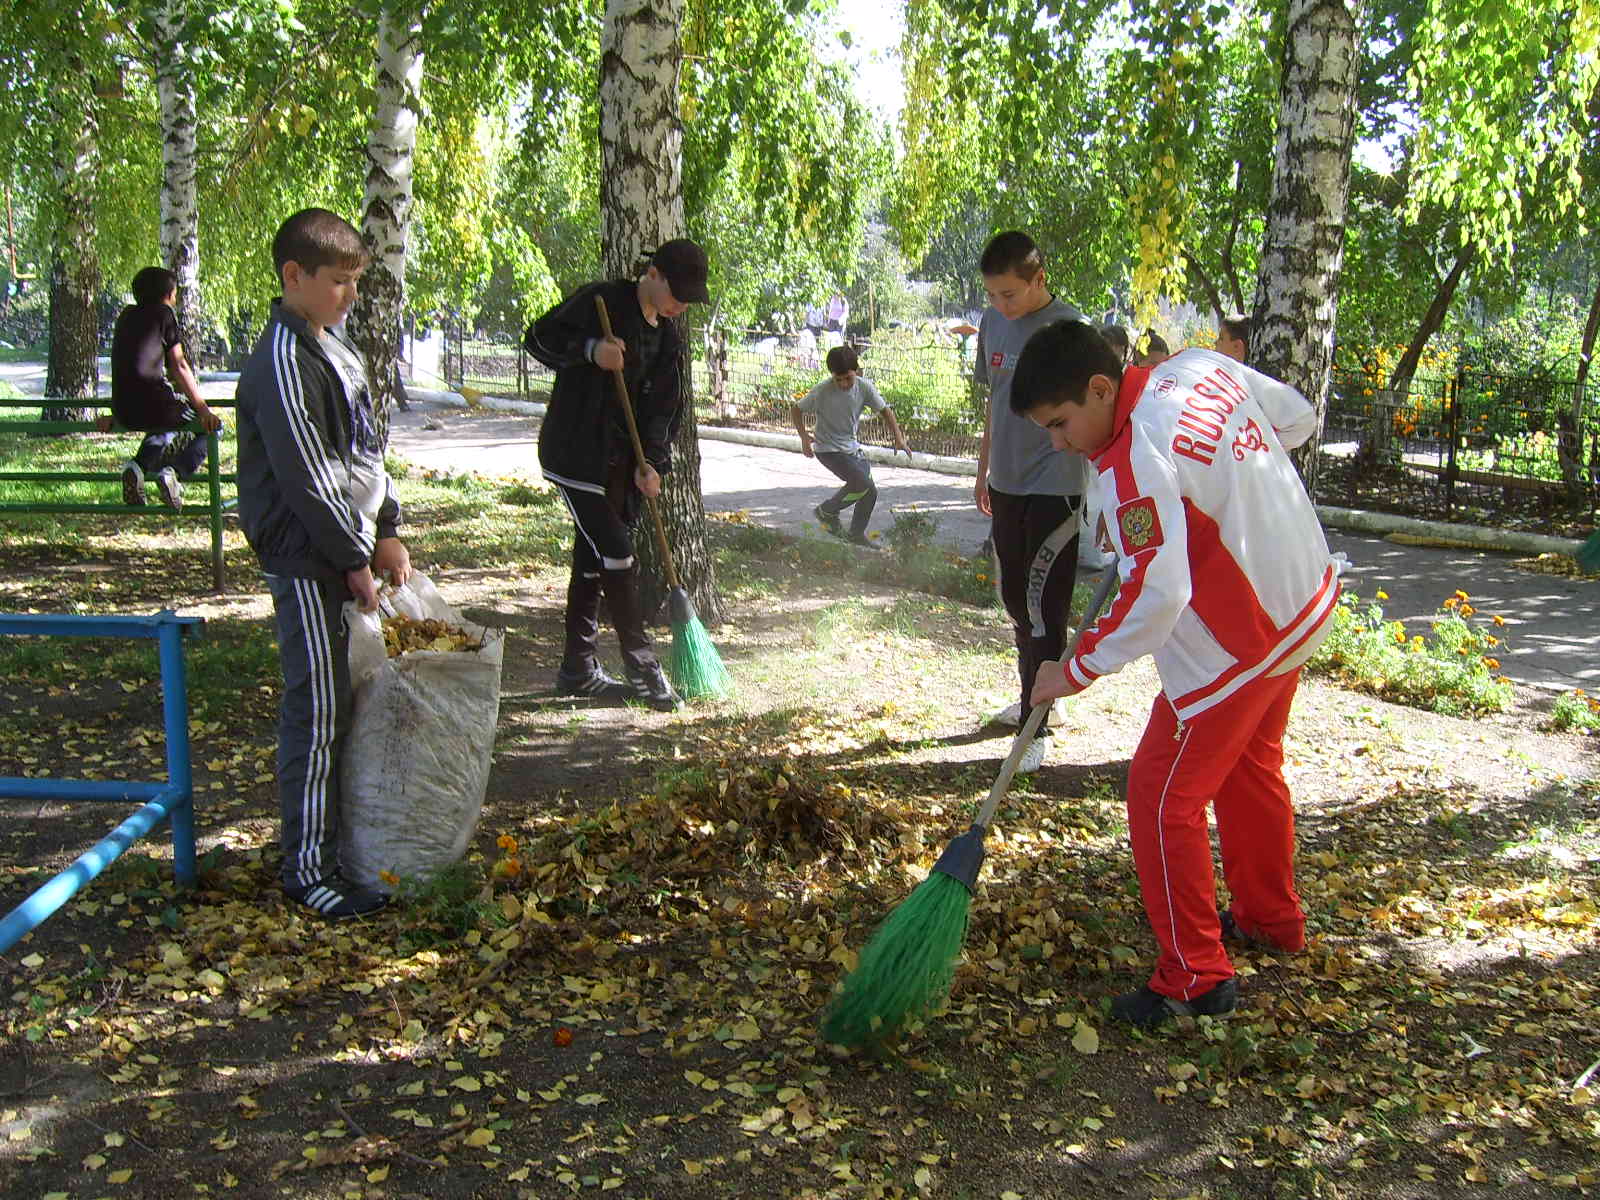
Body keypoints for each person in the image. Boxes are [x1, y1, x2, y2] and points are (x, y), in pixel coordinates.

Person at [1011, 320, 1341, 1028]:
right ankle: (1269, 918)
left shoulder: (1133, 459)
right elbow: (1296, 419)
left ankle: (1195, 974)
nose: (1059, 443)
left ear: (1103, 389)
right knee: (1251, 766)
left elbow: (1156, 595)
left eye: (1063, 424)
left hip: (1239, 646)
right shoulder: (1198, 366)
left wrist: (1073, 668)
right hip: (1303, 601)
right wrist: (1229, 485)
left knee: (1162, 799)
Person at [236, 208, 411, 920]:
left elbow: (366, 451)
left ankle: (341, 849)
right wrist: (351, 557)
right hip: (308, 562)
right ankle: (306, 870)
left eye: (355, 282)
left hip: (343, 557)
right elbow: (309, 477)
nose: (349, 296)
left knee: (345, 704)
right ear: (293, 277)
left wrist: (388, 531)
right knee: (317, 710)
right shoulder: (280, 361)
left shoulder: (333, 350)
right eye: (338, 282)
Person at [523, 239, 711, 712]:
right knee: (617, 552)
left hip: (621, 465)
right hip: (575, 453)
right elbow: (537, 337)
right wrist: (591, 350)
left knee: (592, 556)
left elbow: (664, 408)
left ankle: (577, 670)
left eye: (688, 299)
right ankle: (643, 667)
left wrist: (652, 463)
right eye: (677, 293)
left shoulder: (667, 336)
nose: (680, 305)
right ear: (653, 274)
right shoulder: (601, 302)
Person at [972, 231, 1089, 773]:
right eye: (993, 296)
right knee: (1016, 599)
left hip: (1056, 483)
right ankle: (1036, 694)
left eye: (1010, 295)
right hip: (1006, 481)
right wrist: (983, 472)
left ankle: (1035, 727)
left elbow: (1096, 415)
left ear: (1039, 278)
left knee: (1045, 605)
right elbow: (995, 403)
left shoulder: (1071, 330)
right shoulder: (992, 323)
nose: (1000, 307)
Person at [110, 266, 223, 509]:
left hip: (123, 409)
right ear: (168, 294)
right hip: (156, 406)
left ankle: (137, 467)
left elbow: (127, 363)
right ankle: (174, 474)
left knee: (165, 423)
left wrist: (113, 412)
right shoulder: (164, 314)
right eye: (175, 292)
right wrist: (203, 410)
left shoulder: (126, 316)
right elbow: (179, 366)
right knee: (213, 428)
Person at [792, 344, 910, 548]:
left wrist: (899, 438)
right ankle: (827, 511)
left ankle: (855, 535)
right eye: (838, 380)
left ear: (856, 371)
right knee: (862, 484)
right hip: (827, 449)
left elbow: (885, 411)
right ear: (832, 376)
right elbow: (796, 409)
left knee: (870, 491)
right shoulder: (822, 390)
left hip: (851, 448)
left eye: (848, 378)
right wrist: (804, 437)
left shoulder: (864, 387)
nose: (843, 384)